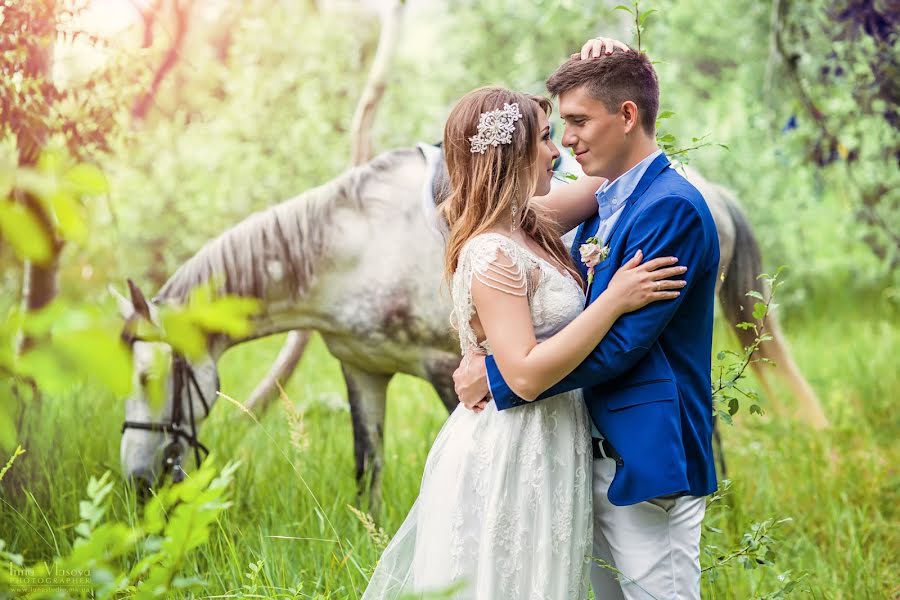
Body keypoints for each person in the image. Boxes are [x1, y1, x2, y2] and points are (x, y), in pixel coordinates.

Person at [362, 83, 686, 598]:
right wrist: (614, 299)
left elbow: (620, 164)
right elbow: (527, 374)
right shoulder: (492, 251)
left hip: (554, 439)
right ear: (509, 154)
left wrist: (616, 62)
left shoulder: (531, 225)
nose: (559, 151)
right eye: (544, 138)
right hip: (513, 447)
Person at [453, 39, 721, 600]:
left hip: (645, 454)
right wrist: (620, 60)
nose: (565, 141)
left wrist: (501, 376)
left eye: (576, 122)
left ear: (626, 116)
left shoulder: (668, 207)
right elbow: (472, 212)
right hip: (578, 455)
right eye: (555, 130)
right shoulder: (605, 200)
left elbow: (622, 344)